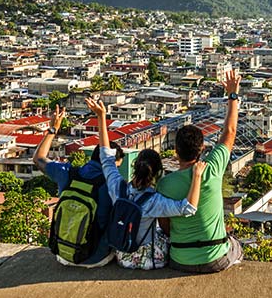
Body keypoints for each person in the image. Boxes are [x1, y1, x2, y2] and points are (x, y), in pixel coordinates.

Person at [85, 97, 207, 270]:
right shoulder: (153, 201)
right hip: (146, 259)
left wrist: (101, 117)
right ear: (158, 173)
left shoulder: (118, 189)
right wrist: (197, 175)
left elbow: (106, 157)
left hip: (122, 254)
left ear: (135, 166)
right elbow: (188, 208)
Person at [157, 69, 244, 273]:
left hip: (179, 258)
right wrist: (233, 95)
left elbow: (165, 227)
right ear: (202, 149)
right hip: (215, 258)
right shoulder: (212, 168)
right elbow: (230, 132)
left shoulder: (164, 185)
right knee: (238, 247)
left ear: (176, 152)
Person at [33, 104, 122, 268]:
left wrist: (53, 130)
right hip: (96, 257)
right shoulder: (112, 184)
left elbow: (38, 158)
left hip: (62, 254)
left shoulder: (68, 172)